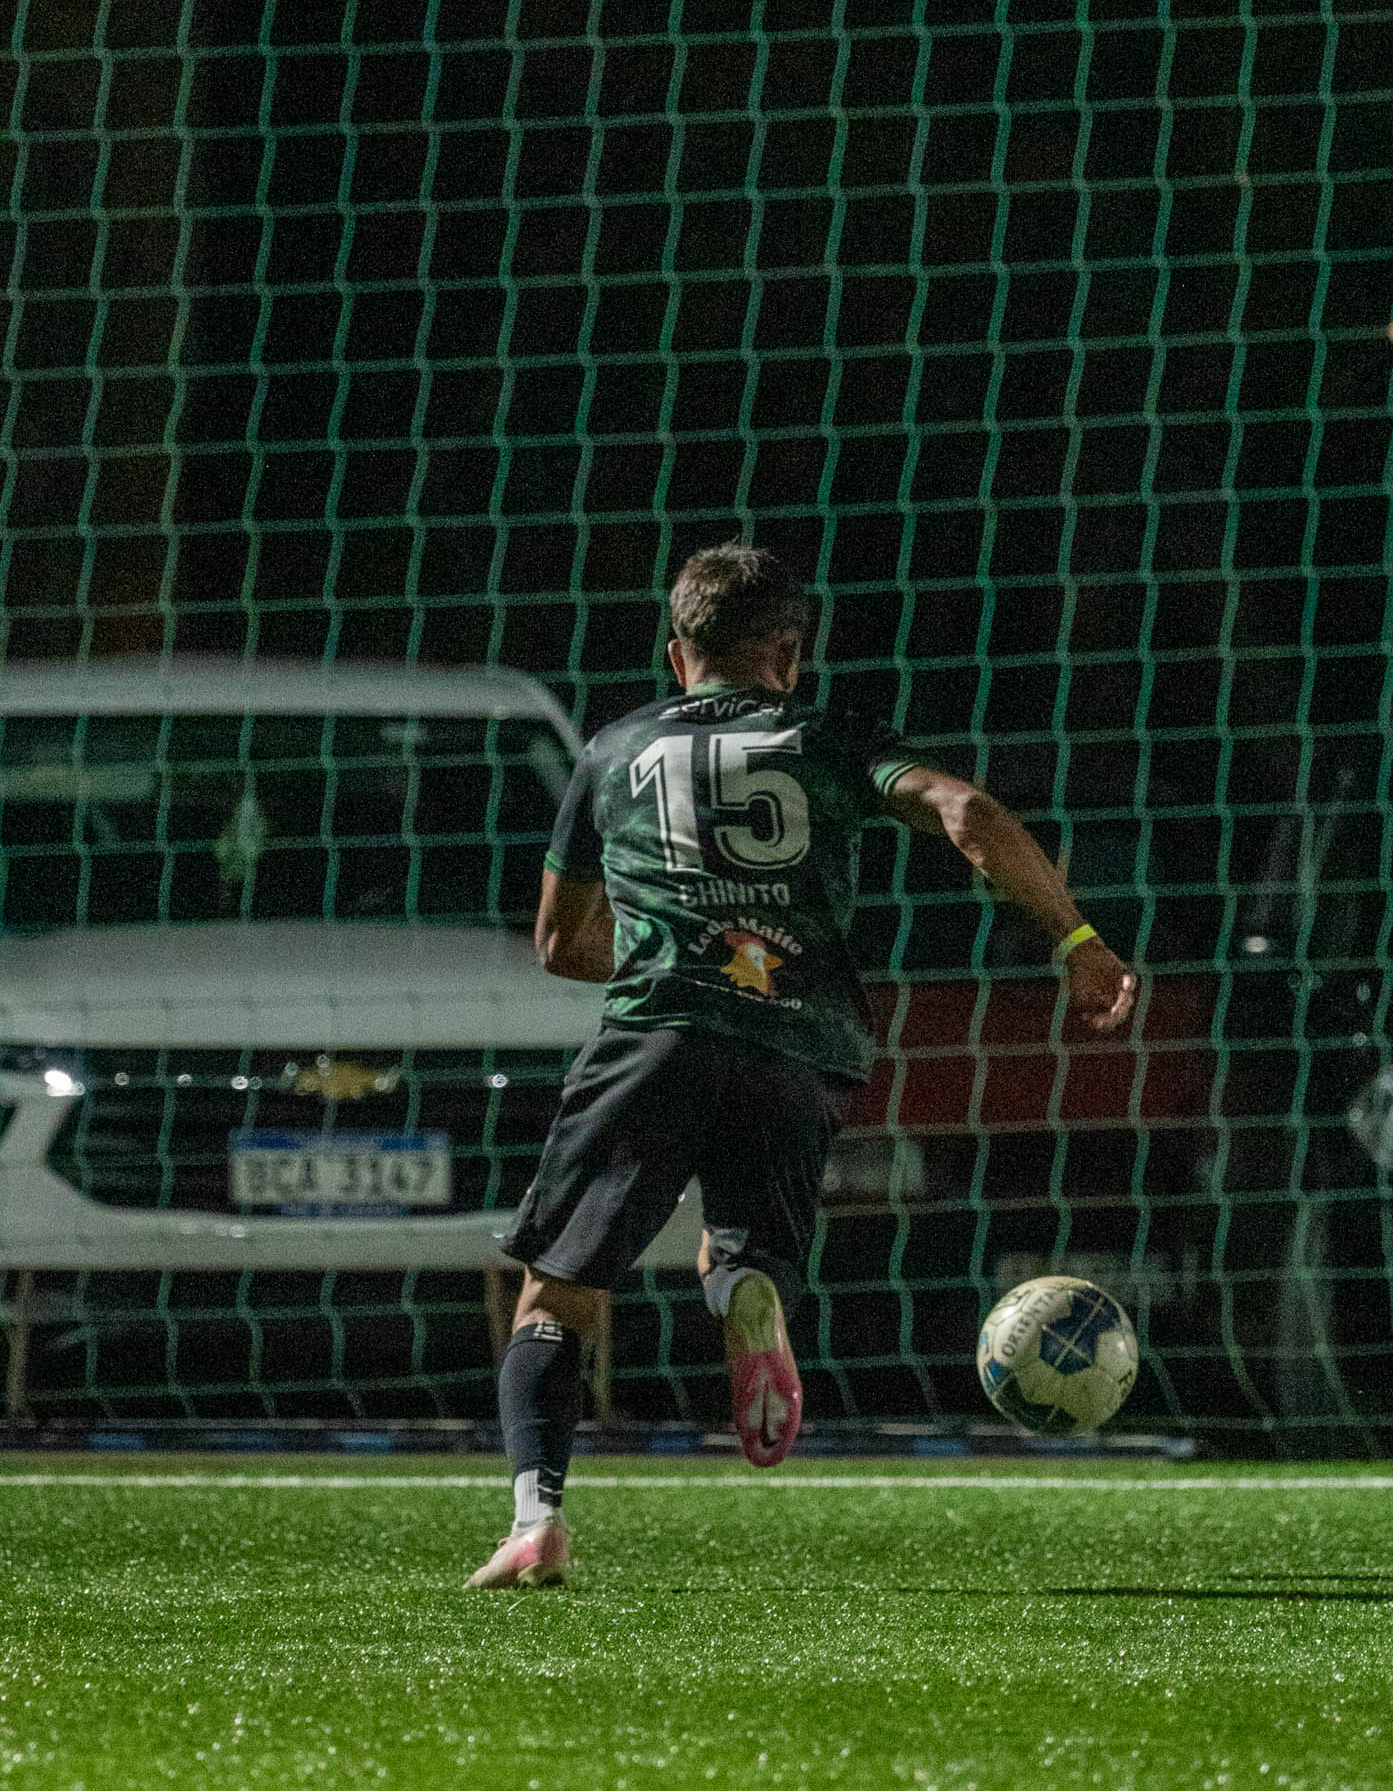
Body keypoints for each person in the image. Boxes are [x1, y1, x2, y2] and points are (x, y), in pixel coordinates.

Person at [468, 541, 1138, 1588]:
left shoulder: (613, 749)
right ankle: (749, 1290)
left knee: (557, 1292)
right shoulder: (828, 736)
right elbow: (967, 812)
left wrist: (670, 945)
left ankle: (535, 1519)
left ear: (676, 653)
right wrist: (1075, 942)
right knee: (742, 1245)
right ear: (788, 654)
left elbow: (559, 943)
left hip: (657, 1034)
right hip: (798, 1046)